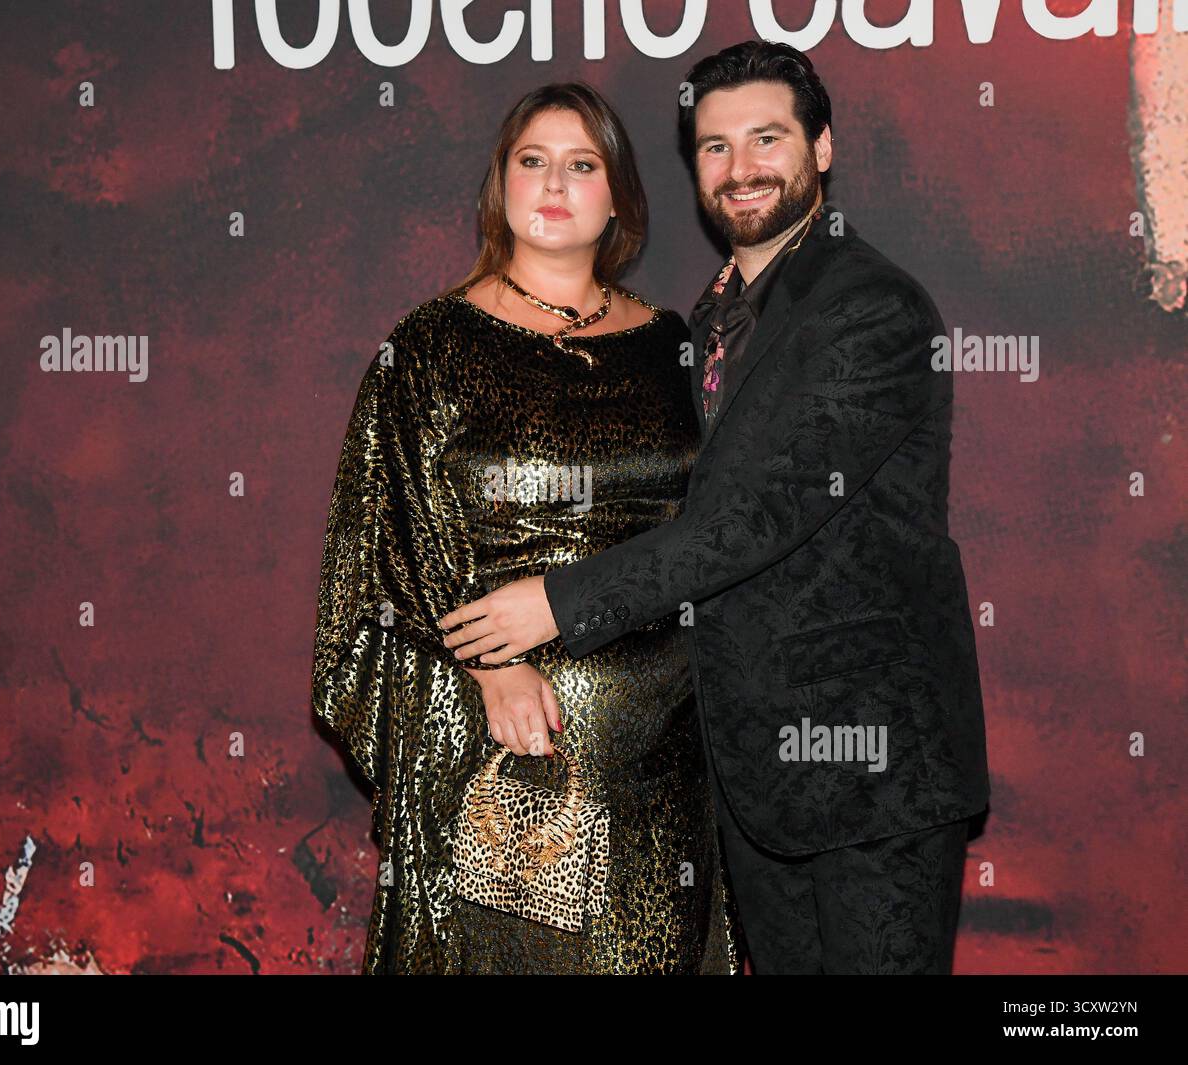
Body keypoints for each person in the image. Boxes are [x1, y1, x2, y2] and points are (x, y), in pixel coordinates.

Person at [439, 41, 992, 975]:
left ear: (821, 149)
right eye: (714, 147)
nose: (740, 170)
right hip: (747, 780)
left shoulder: (872, 310)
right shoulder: (701, 325)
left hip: (870, 776)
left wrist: (559, 602)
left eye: (766, 139)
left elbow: (758, 519)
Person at [312, 81, 737, 974]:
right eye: (531, 161)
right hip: (505, 755)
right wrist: (488, 662)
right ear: (498, 187)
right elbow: (384, 541)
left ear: (616, 196)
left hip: (665, 758)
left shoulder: (673, 346)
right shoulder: (427, 345)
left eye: (581, 165)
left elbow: (714, 532)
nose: (554, 183)